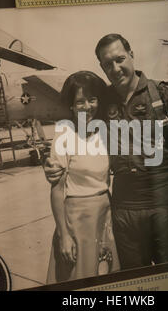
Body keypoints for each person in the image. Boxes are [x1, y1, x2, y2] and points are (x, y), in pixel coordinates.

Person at [45, 34, 168, 270]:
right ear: (102, 67)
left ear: (132, 55)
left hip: (161, 201)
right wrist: (53, 163)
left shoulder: (160, 95)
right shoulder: (105, 99)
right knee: (132, 277)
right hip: (123, 207)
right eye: (108, 64)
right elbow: (79, 130)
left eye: (120, 59)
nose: (115, 68)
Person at [46, 71, 119, 284]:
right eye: (80, 101)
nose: (87, 106)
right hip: (76, 221)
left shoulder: (106, 133)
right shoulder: (63, 135)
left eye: (92, 99)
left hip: (106, 215)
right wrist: (64, 236)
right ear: (71, 105)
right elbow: (57, 190)